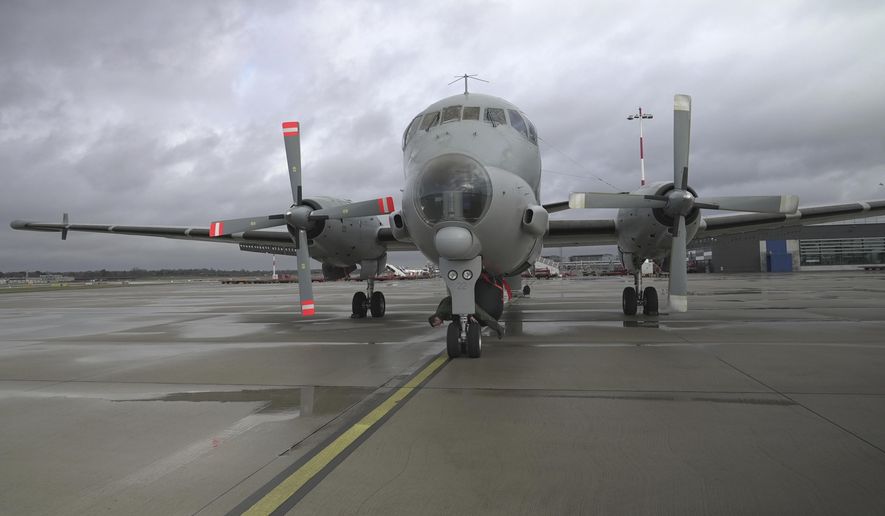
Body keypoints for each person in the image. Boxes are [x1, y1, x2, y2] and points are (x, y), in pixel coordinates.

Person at [429, 271, 509, 339]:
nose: (438, 325)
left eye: (436, 324)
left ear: (435, 319)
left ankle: (499, 329)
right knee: (481, 317)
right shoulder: (442, 314)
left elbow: (451, 302)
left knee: (483, 316)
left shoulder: (443, 311)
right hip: (462, 304)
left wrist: (469, 314)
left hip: (464, 302)